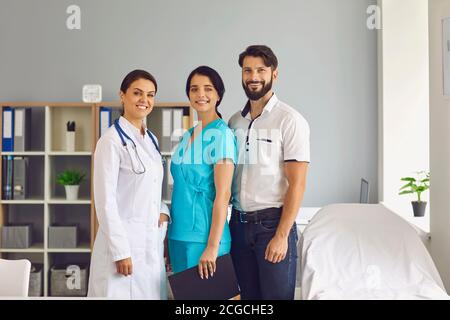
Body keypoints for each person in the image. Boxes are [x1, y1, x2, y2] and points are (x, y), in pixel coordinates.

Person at [228, 45, 310, 300]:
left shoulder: (290, 120)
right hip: (238, 226)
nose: (253, 76)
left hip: (272, 226)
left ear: (274, 74)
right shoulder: (234, 122)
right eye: (247, 70)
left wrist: (282, 235)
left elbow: (297, 184)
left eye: (261, 70)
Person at [88, 69, 170, 299]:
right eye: (137, 93)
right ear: (122, 95)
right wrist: (120, 251)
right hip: (121, 249)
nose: (144, 100)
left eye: (151, 95)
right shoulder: (111, 141)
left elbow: (152, 189)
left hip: (149, 245)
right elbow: (105, 202)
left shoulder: (150, 139)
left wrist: (162, 212)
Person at [168, 66, 237, 279]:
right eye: (194, 89)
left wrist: (212, 246)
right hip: (178, 235)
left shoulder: (222, 135)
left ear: (218, 95)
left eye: (208, 89)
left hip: (204, 238)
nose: (201, 94)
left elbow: (223, 194)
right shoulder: (187, 135)